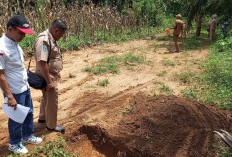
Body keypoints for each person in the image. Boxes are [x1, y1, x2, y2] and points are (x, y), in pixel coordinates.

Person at [0, 15, 42, 154]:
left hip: (24, 86)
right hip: (14, 90)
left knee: (29, 112)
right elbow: (0, 75)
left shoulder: (15, 44)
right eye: (21, 33)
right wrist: (9, 96)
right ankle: (15, 143)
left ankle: (27, 135)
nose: (23, 36)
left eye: (25, 33)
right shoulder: (2, 47)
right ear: (10, 29)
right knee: (16, 118)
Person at [34, 19, 67, 133]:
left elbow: (52, 58)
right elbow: (42, 63)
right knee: (52, 99)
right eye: (61, 34)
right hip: (47, 75)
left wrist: (57, 71)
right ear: (56, 30)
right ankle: (51, 126)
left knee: (46, 97)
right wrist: (49, 81)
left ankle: (43, 119)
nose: (61, 37)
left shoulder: (51, 38)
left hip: (51, 74)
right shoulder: (44, 39)